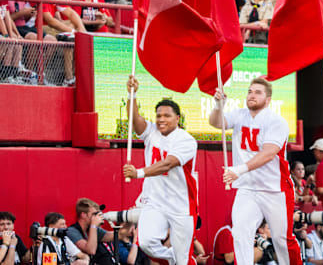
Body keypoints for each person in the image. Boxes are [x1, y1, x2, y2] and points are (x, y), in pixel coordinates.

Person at [210, 78, 303, 265]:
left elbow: (268, 153)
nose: (252, 95)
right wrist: (218, 106)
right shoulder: (240, 114)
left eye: (258, 92)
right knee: (240, 233)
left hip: (274, 189)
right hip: (248, 188)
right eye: (250, 91)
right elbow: (216, 123)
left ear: (268, 99)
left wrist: (240, 169)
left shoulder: (276, 121)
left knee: (281, 239)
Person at [121, 76, 198, 265]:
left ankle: (183, 261)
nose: (161, 119)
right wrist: (132, 94)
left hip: (181, 205)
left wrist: (138, 173)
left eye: (167, 116)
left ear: (178, 119)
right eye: (158, 115)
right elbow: (135, 120)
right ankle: (174, 259)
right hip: (155, 202)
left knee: (183, 257)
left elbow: (167, 164)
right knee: (146, 242)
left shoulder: (186, 140)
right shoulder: (152, 131)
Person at [65, 199, 117, 265]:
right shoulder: (72, 231)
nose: (97, 217)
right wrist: (94, 225)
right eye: (94, 214)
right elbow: (91, 250)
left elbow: (116, 236)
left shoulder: (91, 229)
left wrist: (127, 219)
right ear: (83, 215)